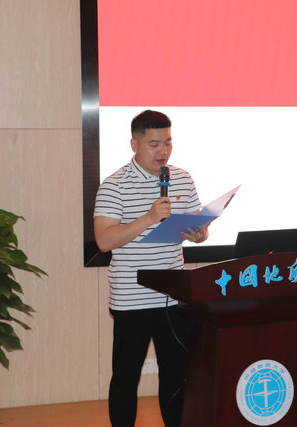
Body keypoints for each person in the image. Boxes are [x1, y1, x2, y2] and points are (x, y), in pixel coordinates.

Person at [93, 110, 209, 427]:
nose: (163, 151)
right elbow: (104, 240)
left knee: (177, 377)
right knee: (126, 378)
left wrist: (199, 234)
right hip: (132, 299)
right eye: (154, 144)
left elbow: (198, 229)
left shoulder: (182, 178)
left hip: (174, 295)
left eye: (168, 142)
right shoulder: (114, 185)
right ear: (135, 144)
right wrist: (148, 217)